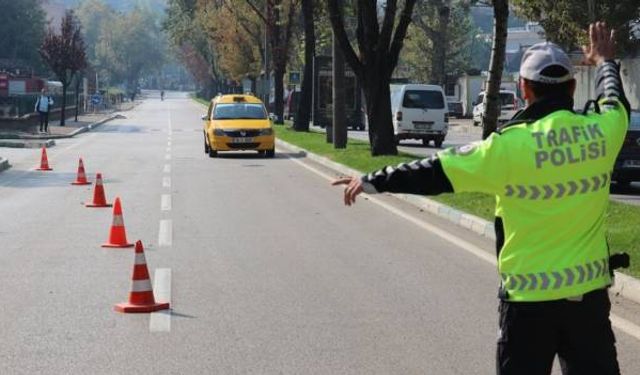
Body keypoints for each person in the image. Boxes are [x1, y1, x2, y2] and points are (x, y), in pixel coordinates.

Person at [333, 22, 629, 375]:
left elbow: (433, 171)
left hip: (527, 307)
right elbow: (614, 99)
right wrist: (605, 60)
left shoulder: (505, 148)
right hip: (588, 305)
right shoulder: (602, 132)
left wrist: (370, 181)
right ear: (570, 87)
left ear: (523, 89)